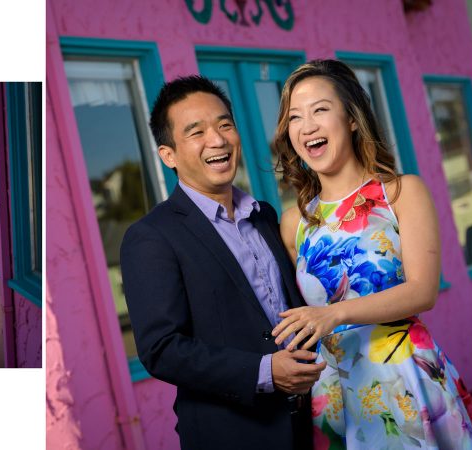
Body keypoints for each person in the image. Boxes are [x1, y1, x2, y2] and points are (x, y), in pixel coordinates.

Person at [272, 59, 472, 449]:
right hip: (335, 393)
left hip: (405, 379)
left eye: (320, 110)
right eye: (295, 117)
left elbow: (422, 292)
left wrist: (335, 313)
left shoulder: (400, 192)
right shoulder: (294, 221)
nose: (307, 126)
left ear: (351, 117)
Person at [120, 75, 325, 450]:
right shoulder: (151, 236)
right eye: (196, 132)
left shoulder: (263, 215)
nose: (217, 140)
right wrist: (265, 371)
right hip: (233, 435)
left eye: (224, 125)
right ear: (169, 156)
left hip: (308, 422)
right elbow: (161, 349)